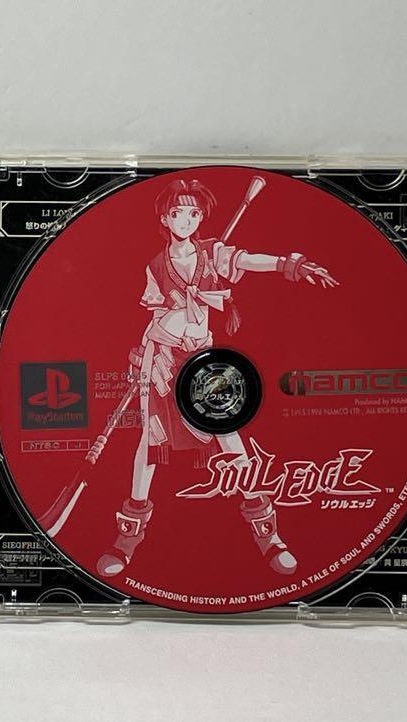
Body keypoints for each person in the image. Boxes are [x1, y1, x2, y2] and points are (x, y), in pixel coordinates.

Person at [97, 178, 338, 579]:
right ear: (164, 218)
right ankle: (127, 540)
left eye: (194, 213)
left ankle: (269, 537)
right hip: (161, 357)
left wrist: (289, 264)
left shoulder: (212, 253)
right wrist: (140, 354)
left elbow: (249, 260)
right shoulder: (155, 265)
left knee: (230, 438)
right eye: (178, 212)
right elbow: (156, 315)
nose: (186, 220)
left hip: (201, 362)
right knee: (149, 443)